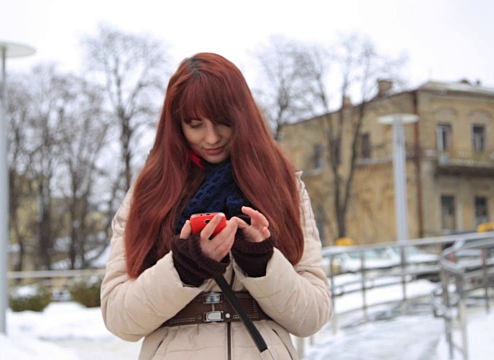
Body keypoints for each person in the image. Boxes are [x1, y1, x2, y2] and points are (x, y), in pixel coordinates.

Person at [101, 52, 332, 359]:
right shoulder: (149, 192)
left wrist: (261, 262)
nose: (211, 138)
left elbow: (313, 315)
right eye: (195, 124)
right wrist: (184, 266)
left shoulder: (283, 186)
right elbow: (120, 318)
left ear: (243, 116)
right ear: (176, 124)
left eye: (223, 122)